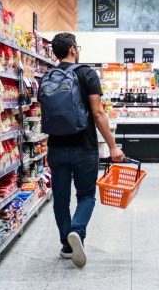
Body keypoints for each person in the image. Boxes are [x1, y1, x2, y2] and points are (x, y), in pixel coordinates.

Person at [42, 32, 124, 268]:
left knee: (60, 199)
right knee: (86, 195)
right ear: (73, 50)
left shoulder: (47, 76)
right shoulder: (87, 73)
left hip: (56, 147)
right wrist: (112, 146)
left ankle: (66, 247)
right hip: (85, 147)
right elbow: (98, 114)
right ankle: (77, 231)